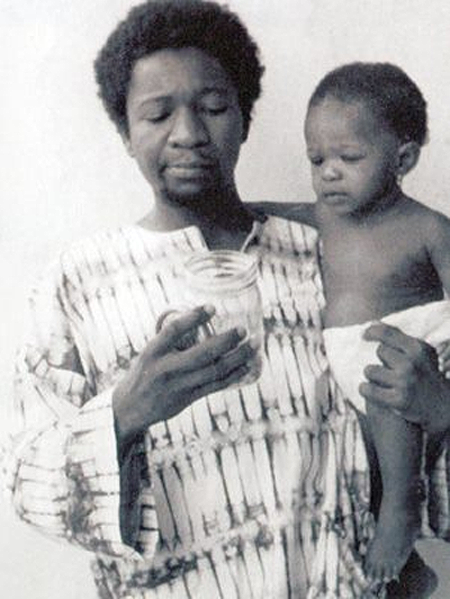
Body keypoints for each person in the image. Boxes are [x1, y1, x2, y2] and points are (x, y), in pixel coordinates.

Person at [2, 4, 449, 597]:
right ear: (125, 133)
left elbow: (403, 442)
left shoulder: (329, 251)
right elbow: (26, 484)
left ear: (243, 117)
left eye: (213, 108)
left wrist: (441, 410)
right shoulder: (77, 283)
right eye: (157, 114)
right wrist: (126, 412)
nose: (187, 133)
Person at [259, 62, 450, 586]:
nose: (328, 172)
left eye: (349, 157)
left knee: (386, 396)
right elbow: (264, 214)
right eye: (316, 158)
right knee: (354, 470)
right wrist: (231, 209)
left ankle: (402, 514)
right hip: (348, 374)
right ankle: (406, 567)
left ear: (402, 158)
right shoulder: (322, 218)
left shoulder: (427, 228)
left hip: (403, 355)